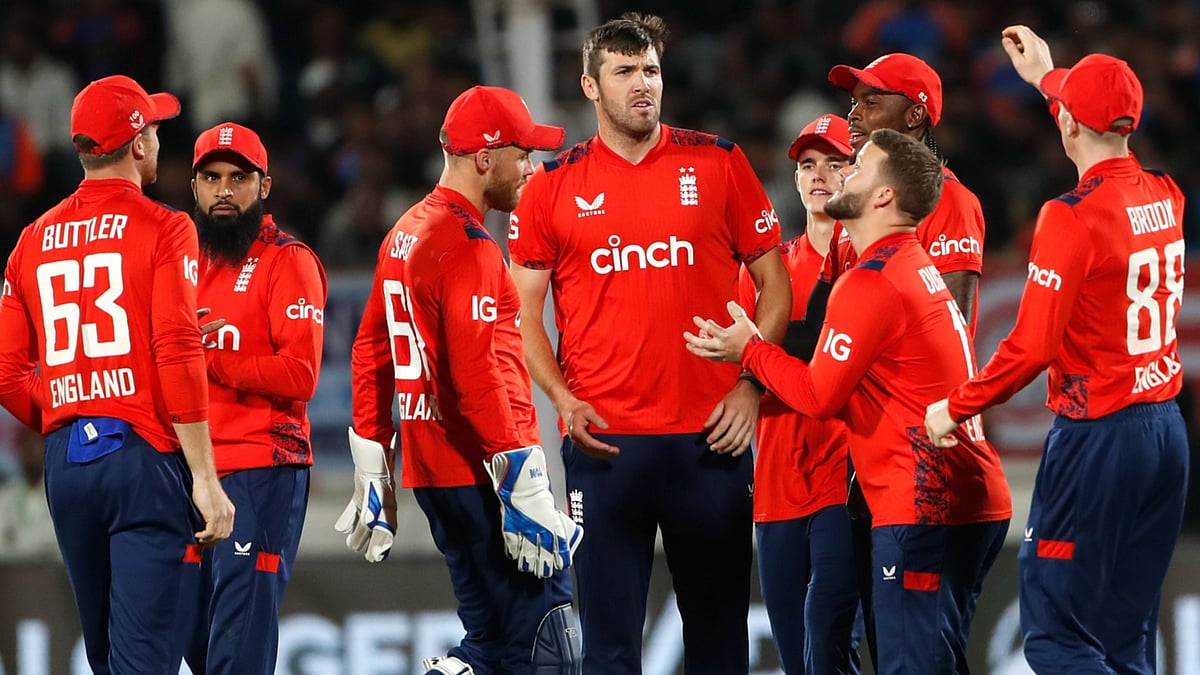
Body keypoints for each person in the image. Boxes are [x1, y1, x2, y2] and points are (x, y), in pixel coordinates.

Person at [508, 13, 792, 674]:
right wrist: (559, 395)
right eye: (625, 71)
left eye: (652, 71)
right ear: (590, 85)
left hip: (711, 438)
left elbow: (774, 288)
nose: (643, 85)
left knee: (721, 648)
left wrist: (753, 385)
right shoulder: (551, 185)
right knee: (608, 651)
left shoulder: (719, 162)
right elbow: (521, 309)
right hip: (604, 445)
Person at [686, 128, 1011, 675]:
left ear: (883, 196)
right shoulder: (912, 266)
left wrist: (751, 349)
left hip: (920, 501)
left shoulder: (873, 281)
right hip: (965, 494)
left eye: (855, 167)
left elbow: (817, 395)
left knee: (906, 665)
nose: (840, 174)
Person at [925, 26, 1189, 674]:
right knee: (1126, 640)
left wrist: (956, 406)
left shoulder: (1070, 216)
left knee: (1056, 638)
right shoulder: (1167, 194)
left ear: (1068, 122)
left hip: (1099, 436)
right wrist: (1049, 78)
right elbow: (1092, 124)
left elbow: (1032, 345)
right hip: (1166, 437)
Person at [337, 85, 584, 675]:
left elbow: (369, 351)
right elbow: (476, 380)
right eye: (521, 153)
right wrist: (522, 489)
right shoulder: (467, 246)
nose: (530, 167)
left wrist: (375, 463)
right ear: (485, 158)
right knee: (548, 646)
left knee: (491, 645)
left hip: (434, 471)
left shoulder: (405, 230)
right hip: (483, 474)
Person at [0, 74, 235, 673]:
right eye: (153, 128)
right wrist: (204, 477)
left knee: (110, 662)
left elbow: (7, 372)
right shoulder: (166, 226)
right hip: (140, 459)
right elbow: (177, 347)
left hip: (66, 466)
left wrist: (66, 406)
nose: (158, 139)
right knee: (144, 664)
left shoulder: (30, 241)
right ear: (136, 144)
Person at [185, 122, 326, 674]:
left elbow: (300, 375)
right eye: (212, 177)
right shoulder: (182, 262)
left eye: (238, 178)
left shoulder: (288, 260)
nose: (224, 189)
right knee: (197, 644)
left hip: (262, 468)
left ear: (263, 186)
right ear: (193, 187)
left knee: (238, 648)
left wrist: (208, 359)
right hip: (191, 471)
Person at [735, 114, 860, 674]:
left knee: (830, 648)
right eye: (809, 165)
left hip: (845, 484)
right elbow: (740, 377)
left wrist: (764, 360)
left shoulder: (870, 266)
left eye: (835, 164)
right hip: (777, 489)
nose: (819, 176)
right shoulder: (768, 272)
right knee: (797, 662)